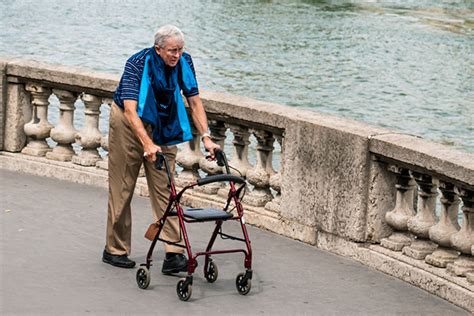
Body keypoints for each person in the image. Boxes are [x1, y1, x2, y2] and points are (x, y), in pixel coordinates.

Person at [102, 25, 220, 272]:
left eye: (180, 50)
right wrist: (146, 143)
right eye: (171, 51)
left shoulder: (184, 62)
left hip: (164, 122)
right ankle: (115, 249)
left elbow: (194, 101)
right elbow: (131, 110)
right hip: (128, 122)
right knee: (123, 185)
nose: (176, 55)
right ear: (158, 49)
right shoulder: (136, 64)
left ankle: (173, 253)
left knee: (167, 187)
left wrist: (207, 137)